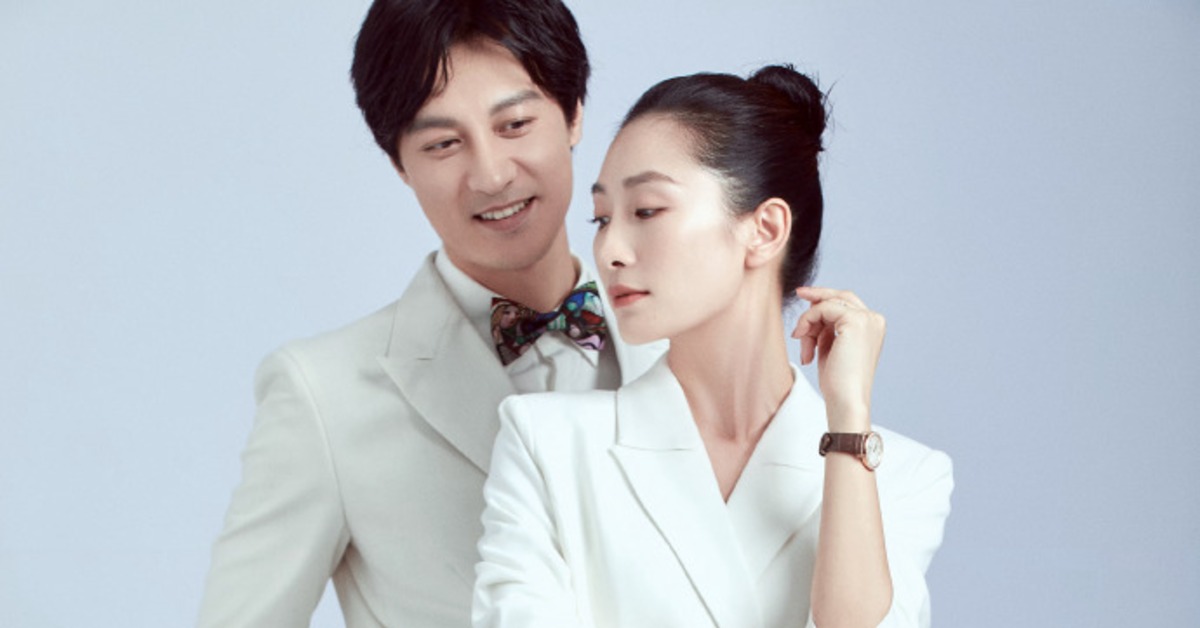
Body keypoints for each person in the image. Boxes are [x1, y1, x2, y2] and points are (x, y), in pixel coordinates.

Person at [196, 1, 663, 626]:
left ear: (574, 113)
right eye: (444, 143)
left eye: (515, 124)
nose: (491, 175)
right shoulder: (324, 395)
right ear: (398, 162)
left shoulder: (687, 343)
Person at [473, 65, 954, 627]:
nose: (610, 250)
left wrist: (848, 417)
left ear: (765, 230)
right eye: (601, 218)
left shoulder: (903, 476)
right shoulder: (548, 442)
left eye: (646, 210)